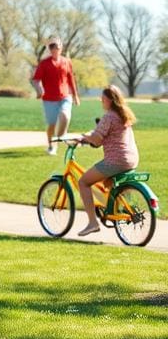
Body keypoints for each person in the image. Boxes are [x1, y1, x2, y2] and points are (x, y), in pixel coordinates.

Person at [75, 85, 139, 237]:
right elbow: (109, 135)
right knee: (106, 183)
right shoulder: (124, 115)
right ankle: (113, 208)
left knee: (83, 182)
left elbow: (96, 141)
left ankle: (92, 223)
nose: (101, 101)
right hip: (131, 159)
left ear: (109, 100)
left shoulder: (109, 116)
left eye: (102, 99)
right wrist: (93, 136)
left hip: (116, 161)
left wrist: (84, 137)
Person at [32, 37, 80, 155]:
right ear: (49, 49)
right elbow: (36, 80)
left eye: (57, 46)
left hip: (65, 96)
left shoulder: (67, 62)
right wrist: (39, 89)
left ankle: (59, 139)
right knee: (51, 125)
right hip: (49, 99)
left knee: (65, 116)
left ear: (61, 48)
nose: (55, 49)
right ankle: (51, 146)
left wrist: (75, 95)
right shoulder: (44, 63)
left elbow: (71, 79)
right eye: (52, 47)